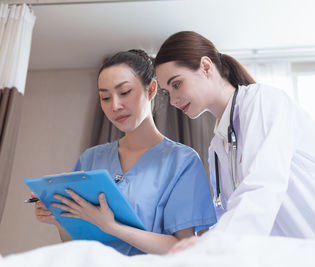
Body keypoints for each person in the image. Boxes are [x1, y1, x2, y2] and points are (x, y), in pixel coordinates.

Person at [154, 31, 315, 250]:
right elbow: (233, 214)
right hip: (305, 255)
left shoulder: (263, 101)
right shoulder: (217, 147)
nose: (173, 100)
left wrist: (213, 247)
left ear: (206, 66)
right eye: (167, 92)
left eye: (176, 84)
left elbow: (263, 184)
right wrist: (205, 244)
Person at [33, 49, 217, 256]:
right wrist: (60, 219)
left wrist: (112, 227)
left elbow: (182, 248)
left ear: (151, 89)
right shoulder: (91, 159)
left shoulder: (182, 161)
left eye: (124, 92)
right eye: (105, 97)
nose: (115, 106)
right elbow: (78, 244)